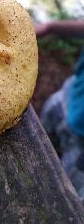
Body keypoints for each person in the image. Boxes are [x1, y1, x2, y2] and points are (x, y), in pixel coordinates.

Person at [36, 20, 84, 202]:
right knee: (41, 142)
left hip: (81, 145)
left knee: (63, 195)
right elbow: (56, 27)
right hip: (66, 98)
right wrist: (49, 27)